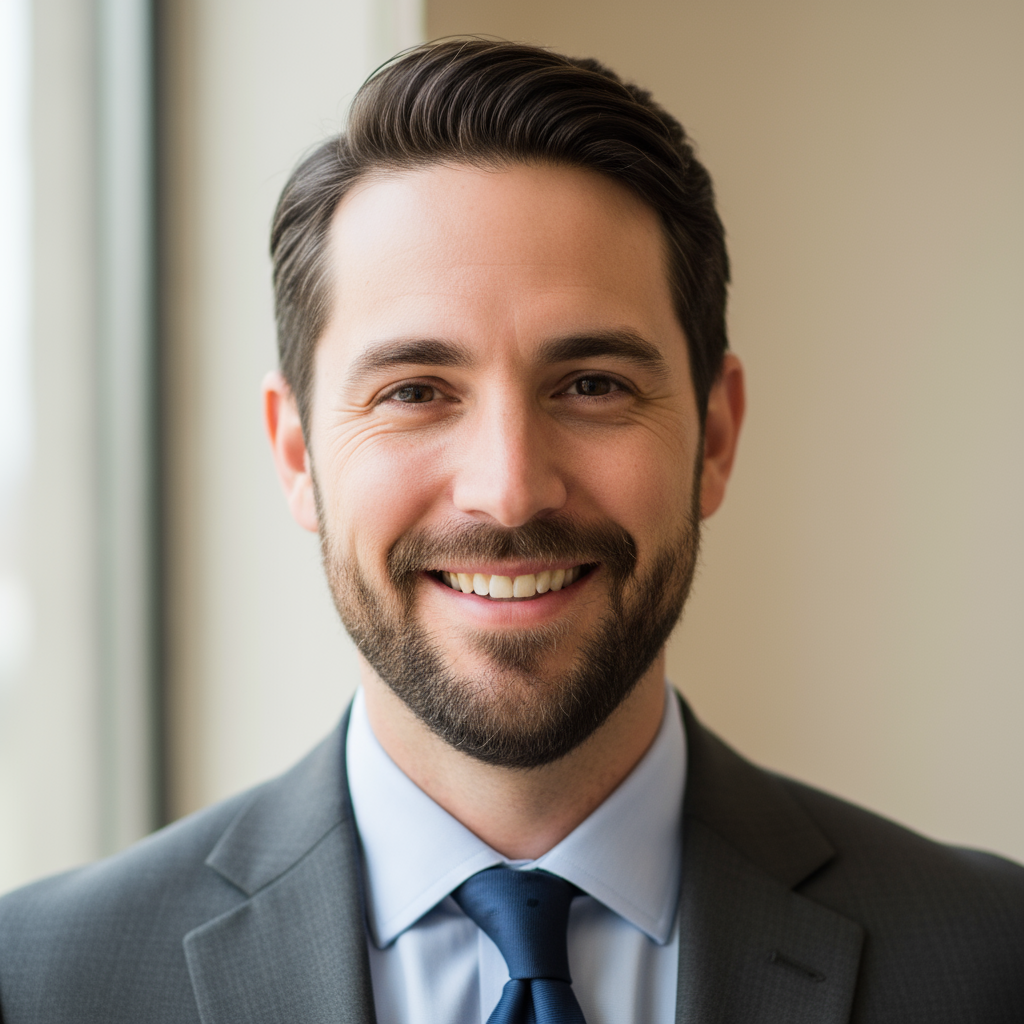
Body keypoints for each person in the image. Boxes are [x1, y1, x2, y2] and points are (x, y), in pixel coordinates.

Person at [1, 38, 1022, 1024]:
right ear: (296, 453)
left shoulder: (990, 959)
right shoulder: (39, 982)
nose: (508, 490)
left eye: (590, 384)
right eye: (415, 390)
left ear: (714, 435)